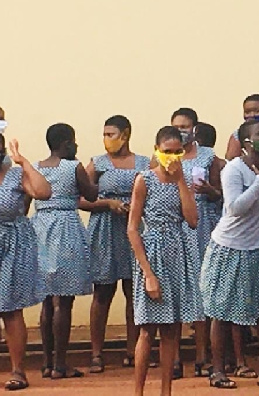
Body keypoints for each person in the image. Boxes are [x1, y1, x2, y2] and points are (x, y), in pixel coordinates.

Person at [200, 119, 259, 389]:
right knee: (222, 311)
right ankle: (217, 370)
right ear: (247, 142)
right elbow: (236, 208)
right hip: (231, 248)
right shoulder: (234, 170)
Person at [128, 126, 201, 396]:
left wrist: (181, 181)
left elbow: (192, 220)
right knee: (147, 329)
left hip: (177, 253)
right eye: (166, 152)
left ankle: (166, 391)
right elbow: (133, 228)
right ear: (157, 151)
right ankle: (138, 391)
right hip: (152, 253)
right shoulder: (144, 180)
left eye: (176, 152)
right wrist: (147, 273)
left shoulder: (186, 181)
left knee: (172, 330)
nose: (172, 157)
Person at [80, 115, 150, 372]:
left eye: (111, 134)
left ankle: (133, 350)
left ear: (126, 134)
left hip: (133, 231)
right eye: (105, 134)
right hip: (104, 231)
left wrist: (137, 208)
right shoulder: (97, 163)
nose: (107, 139)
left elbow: (153, 194)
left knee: (134, 293)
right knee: (103, 293)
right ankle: (96, 353)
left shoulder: (144, 163)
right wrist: (107, 204)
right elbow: (80, 199)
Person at [33, 123, 98, 379]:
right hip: (66, 229)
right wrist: (95, 180)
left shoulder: (37, 167)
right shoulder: (74, 167)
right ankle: (61, 364)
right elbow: (91, 195)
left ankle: (47, 362)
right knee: (65, 299)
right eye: (74, 141)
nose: (77, 146)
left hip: (40, 228)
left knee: (47, 299)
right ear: (65, 144)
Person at [166, 108, 221, 379]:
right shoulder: (163, 157)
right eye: (176, 126)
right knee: (175, 291)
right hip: (175, 228)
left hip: (202, 227)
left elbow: (220, 194)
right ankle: (174, 358)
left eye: (185, 126)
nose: (181, 130)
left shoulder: (208, 156)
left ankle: (202, 356)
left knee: (201, 291)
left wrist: (210, 192)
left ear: (195, 128)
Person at [0, 135, 52, 390]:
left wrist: (25, 164)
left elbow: (43, 192)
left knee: (10, 308)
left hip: (13, 245)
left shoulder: (14, 174)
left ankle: (18, 370)